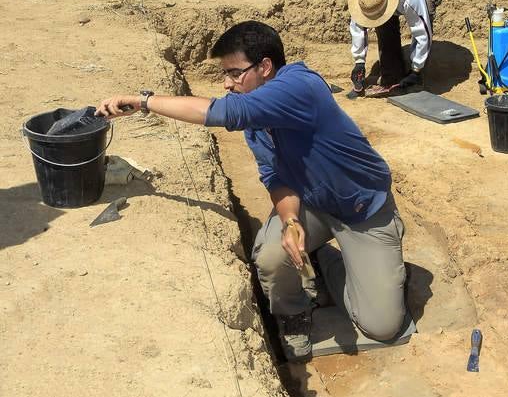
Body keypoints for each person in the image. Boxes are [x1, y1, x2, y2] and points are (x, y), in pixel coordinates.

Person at [96, 21, 408, 363]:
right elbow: (276, 177)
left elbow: (226, 112)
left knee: (382, 326)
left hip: (362, 209)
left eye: (234, 73)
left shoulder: (300, 86)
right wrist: (290, 222)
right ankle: (294, 311)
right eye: (224, 74)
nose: (227, 83)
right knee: (272, 256)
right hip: (313, 202)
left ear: (265, 67)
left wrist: (145, 101)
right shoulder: (257, 121)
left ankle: (338, 263)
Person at [347, 0, 447, 98]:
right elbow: (357, 26)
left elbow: (422, 30)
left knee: (426, 11)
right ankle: (393, 77)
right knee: (383, 22)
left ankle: (417, 79)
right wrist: (359, 62)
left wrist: (416, 69)